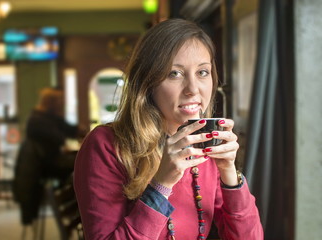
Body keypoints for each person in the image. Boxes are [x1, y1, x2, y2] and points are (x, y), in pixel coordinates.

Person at [74, 18, 263, 239]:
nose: (193, 89)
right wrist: (162, 185)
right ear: (147, 83)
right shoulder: (106, 145)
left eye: (202, 72)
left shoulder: (203, 144)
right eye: (175, 73)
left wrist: (230, 172)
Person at [13, 87, 85, 225]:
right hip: (46, 166)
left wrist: (80, 130)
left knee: (82, 164)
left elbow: (68, 129)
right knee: (84, 166)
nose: (62, 104)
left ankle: (74, 206)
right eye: (59, 102)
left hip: (49, 162)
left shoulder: (44, 117)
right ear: (51, 103)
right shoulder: (38, 120)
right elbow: (59, 137)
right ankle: (74, 207)